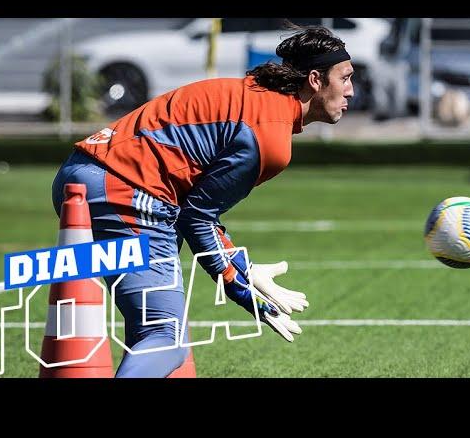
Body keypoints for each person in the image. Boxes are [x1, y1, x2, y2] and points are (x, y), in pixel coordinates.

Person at [52, 24, 354, 377]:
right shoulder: (270, 138)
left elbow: (196, 212)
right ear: (316, 80)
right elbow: (196, 218)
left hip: (81, 174)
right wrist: (244, 290)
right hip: (125, 191)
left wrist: (246, 269)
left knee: (150, 332)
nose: (350, 90)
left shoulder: (255, 95)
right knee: (165, 338)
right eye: (345, 78)